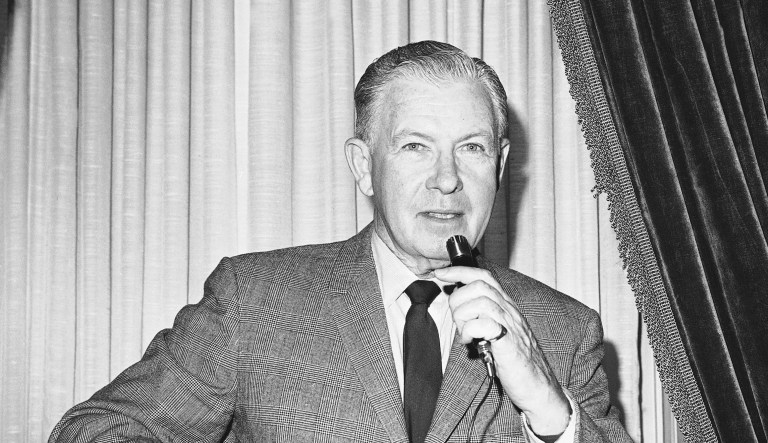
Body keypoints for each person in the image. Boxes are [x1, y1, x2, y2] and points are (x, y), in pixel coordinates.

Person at [49, 40, 631, 443]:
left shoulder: (565, 330)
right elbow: (94, 432)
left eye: (471, 148)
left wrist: (551, 412)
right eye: (415, 146)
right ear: (362, 167)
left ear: (499, 167)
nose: (447, 179)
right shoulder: (252, 300)